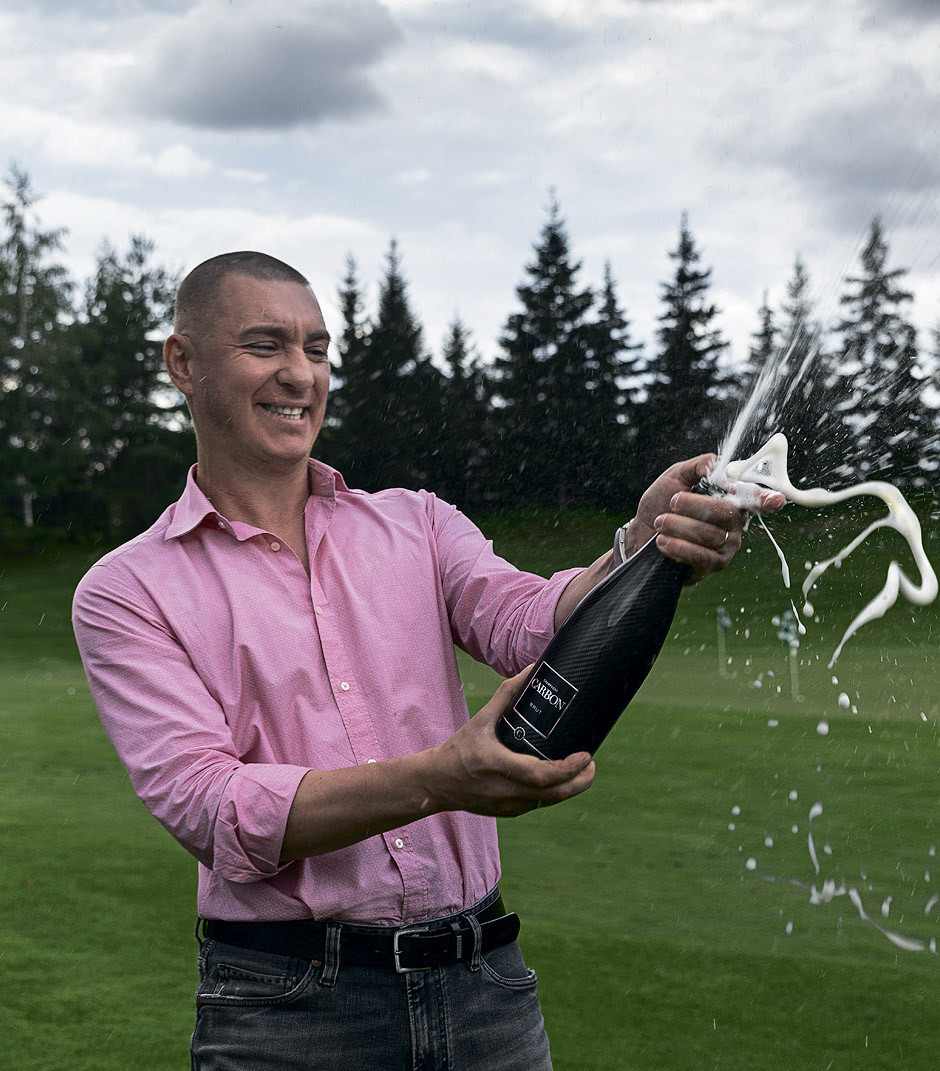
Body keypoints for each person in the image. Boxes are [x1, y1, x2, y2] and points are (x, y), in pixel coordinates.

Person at [72, 251, 783, 1070]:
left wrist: (639, 544)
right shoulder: (127, 589)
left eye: (317, 348)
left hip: (487, 990)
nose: (300, 374)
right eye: (265, 345)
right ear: (183, 362)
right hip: (287, 1012)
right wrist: (438, 779)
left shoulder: (418, 523)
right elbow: (216, 810)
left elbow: (529, 626)